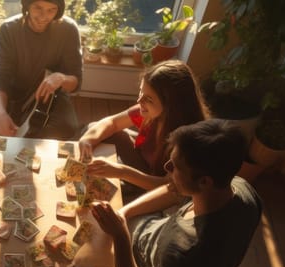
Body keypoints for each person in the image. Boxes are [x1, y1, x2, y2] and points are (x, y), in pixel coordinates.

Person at [90, 119, 262, 267]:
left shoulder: (187, 252)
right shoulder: (241, 189)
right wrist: (125, 212)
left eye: (175, 166)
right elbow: (175, 191)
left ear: (204, 181)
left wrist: (121, 236)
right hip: (170, 253)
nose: (166, 169)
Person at [79, 60, 210, 192]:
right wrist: (87, 140)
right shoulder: (148, 112)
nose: (139, 100)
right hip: (143, 161)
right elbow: (112, 123)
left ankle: (130, 188)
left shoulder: (188, 138)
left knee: (105, 191)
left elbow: (170, 186)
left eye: (149, 98)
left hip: (153, 183)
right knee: (94, 128)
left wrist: (121, 172)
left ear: (171, 105)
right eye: (141, 92)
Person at [0, 0, 82, 140]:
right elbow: (1, 78)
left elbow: (76, 82)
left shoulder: (68, 29)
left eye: (51, 10)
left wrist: (61, 78)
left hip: (50, 97)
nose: (44, 16)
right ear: (27, 5)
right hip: (13, 93)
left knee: (65, 129)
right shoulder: (8, 29)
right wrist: (1, 113)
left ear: (59, 10)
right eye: (38, 8)